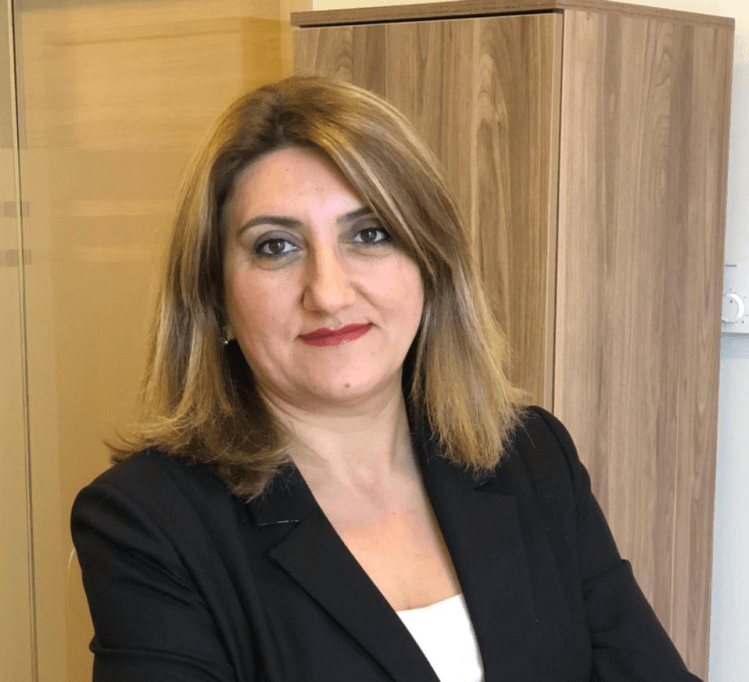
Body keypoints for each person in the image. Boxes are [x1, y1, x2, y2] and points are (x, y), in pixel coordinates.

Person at [71, 75, 701, 682]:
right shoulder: (148, 522)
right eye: (275, 246)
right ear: (215, 297)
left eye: (370, 234)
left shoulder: (532, 456)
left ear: (430, 262)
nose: (329, 293)